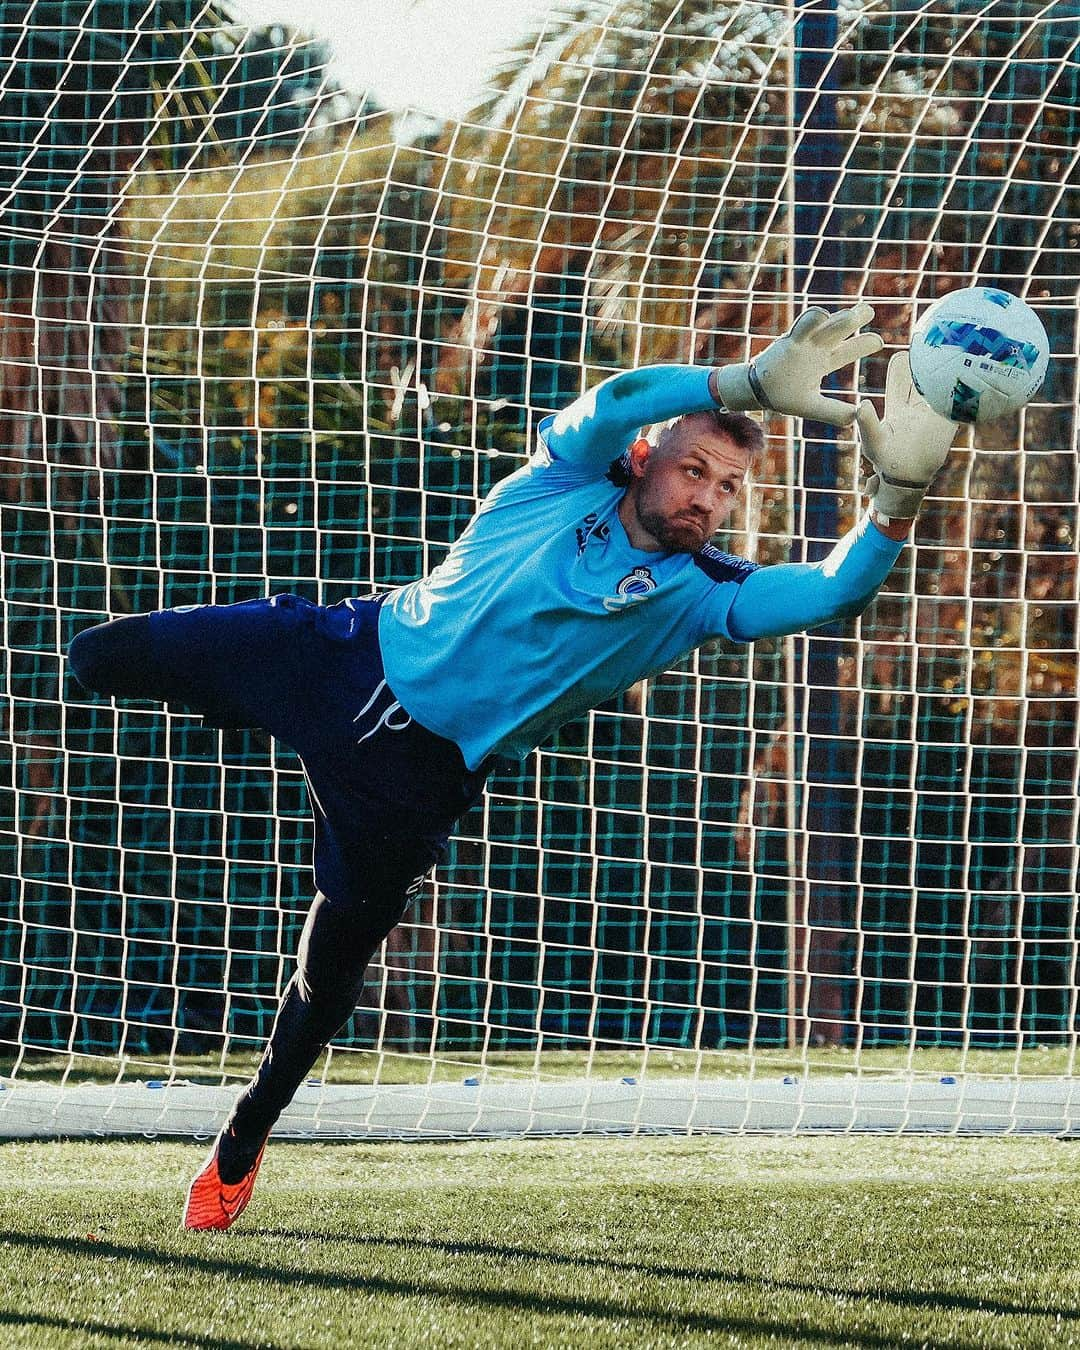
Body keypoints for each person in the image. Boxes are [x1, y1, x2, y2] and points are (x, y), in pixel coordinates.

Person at [66, 303, 956, 1229]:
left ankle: (241, 1144)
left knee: (327, 980)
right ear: (645, 462)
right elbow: (615, 400)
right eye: (695, 470)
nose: (707, 498)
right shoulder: (565, 476)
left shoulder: (702, 593)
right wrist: (741, 384)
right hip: (340, 658)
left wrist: (899, 494)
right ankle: (255, 712)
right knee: (97, 659)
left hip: (414, 781)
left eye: (728, 489)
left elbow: (830, 590)